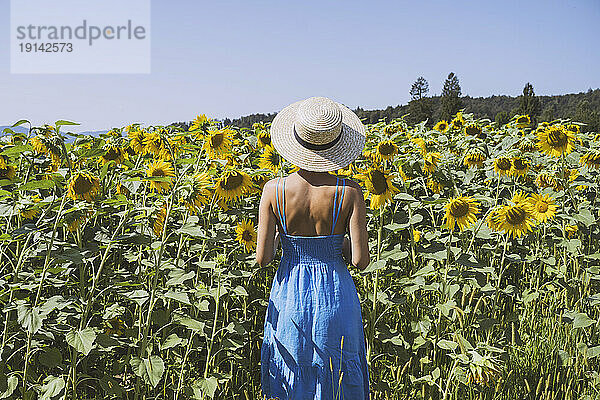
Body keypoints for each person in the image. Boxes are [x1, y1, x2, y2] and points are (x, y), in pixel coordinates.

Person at [256, 96, 371, 399]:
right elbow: (360, 261)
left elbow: (263, 258)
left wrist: (288, 241)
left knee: (292, 369)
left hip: (291, 292)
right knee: (338, 369)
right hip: (336, 292)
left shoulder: (273, 190)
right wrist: (335, 245)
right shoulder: (349, 190)